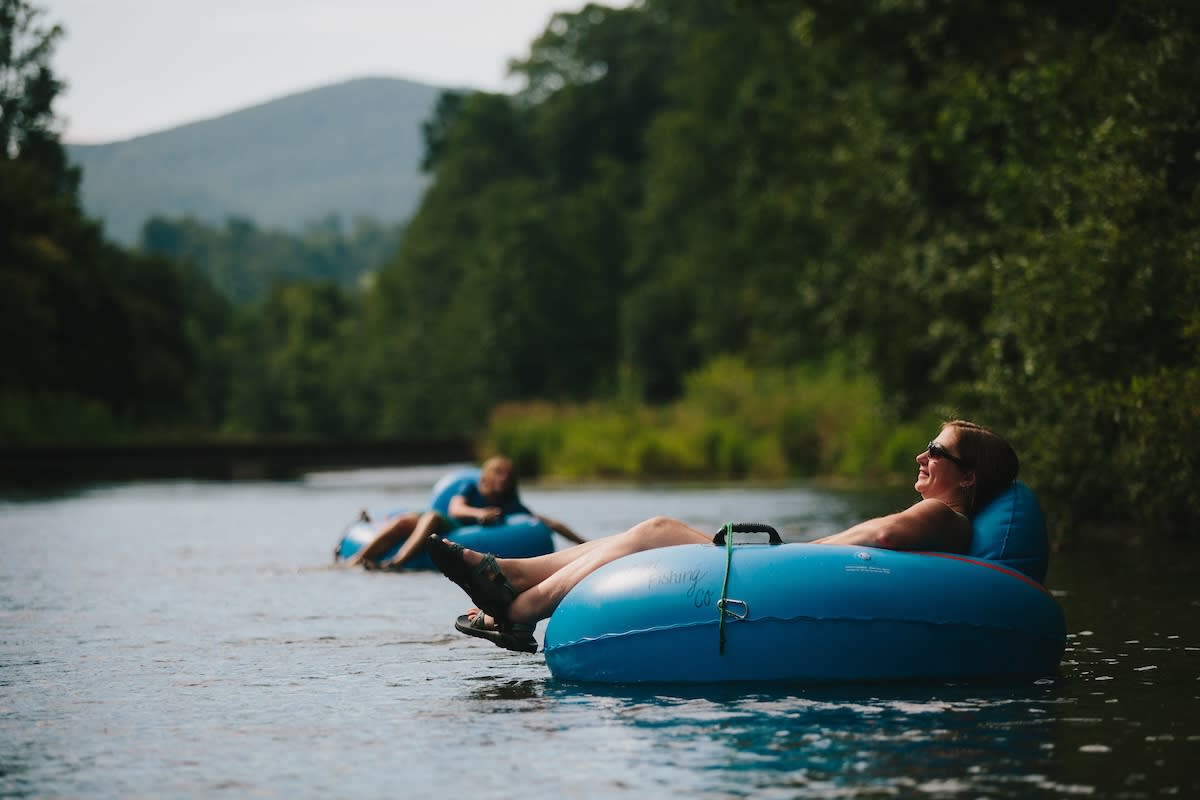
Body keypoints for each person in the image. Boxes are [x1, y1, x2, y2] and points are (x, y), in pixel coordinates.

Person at [427, 420, 1019, 652]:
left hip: (794, 568)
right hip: (797, 564)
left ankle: (520, 605)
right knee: (655, 528)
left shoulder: (948, 517)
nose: (922, 454)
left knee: (657, 529)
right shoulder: (946, 516)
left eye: (936, 451)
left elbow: (883, 537)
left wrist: (796, 557)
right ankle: (512, 577)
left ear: (966, 478)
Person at [345, 456, 586, 570]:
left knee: (429, 520)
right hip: (449, 520)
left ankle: (397, 563)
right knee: (409, 521)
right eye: (498, 473)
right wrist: (479, 514)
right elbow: (455, 508)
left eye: (507, 475)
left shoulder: (510, 503)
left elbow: (548, 522)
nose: (503, 478)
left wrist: (585, 544)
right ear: (488, 476)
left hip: (454, 531)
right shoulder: (472, 488)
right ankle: (357, 559)